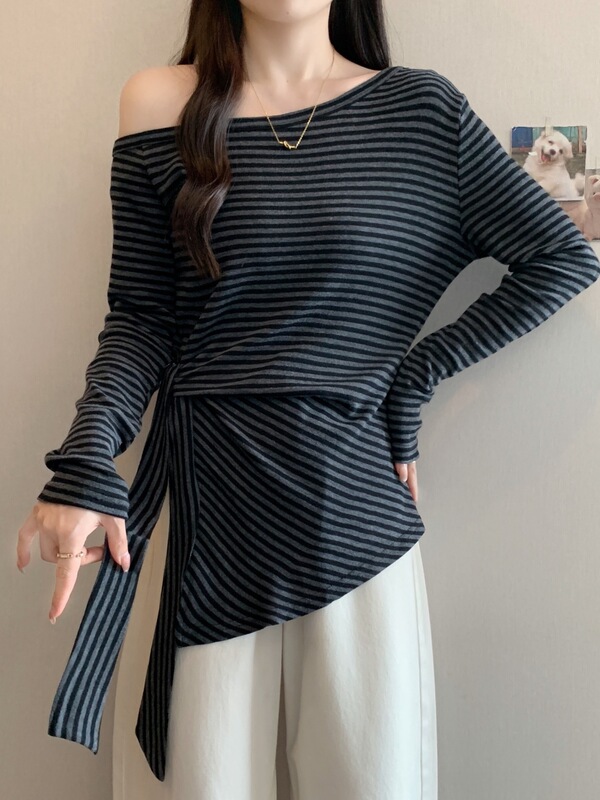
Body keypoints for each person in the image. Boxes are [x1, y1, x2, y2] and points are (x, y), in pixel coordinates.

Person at [16, 1, 600, 798]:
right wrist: (86, 461)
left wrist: (414, 379)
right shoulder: (157, 102)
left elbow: (562, 258)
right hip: (206, 523)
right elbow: (141, 319)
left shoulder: (422, 111)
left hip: (354, 522)